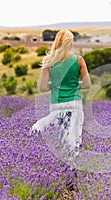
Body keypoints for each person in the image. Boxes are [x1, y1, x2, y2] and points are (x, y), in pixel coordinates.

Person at [31, 29, 91, 196]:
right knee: (73, 139)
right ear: (70, 43)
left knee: (58, 140)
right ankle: (71, 181)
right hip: (75, 105)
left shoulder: (49, 61)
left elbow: (42, 87)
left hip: (56, 106)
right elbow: (88, 84)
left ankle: (55, 176)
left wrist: (55, 85)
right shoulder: (79, 60)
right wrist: (73, 85)